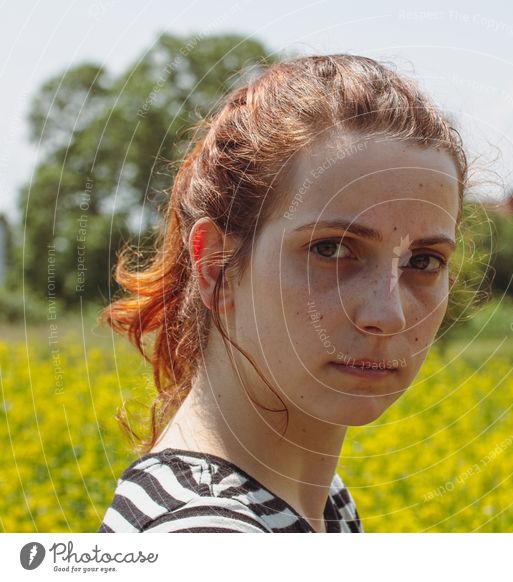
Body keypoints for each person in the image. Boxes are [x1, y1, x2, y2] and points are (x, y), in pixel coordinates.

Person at [97, 53, 471, 533]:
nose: (387, 313)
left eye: (424, 261)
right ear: (215, 266)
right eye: (332, 249)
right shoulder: (205, 536)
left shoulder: (323, 503)